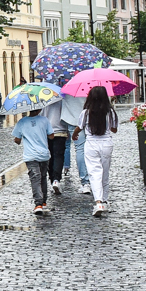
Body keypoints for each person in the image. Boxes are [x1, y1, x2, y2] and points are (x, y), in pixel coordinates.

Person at [80, 85, 120, 216]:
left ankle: (98, 202)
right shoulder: (110, 112)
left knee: (94, 173)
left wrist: (74, 135)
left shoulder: (86, 112)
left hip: (91, 144)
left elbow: (79, 127)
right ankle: (105, 200)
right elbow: (114, 130)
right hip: (106, 144)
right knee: (105, 173)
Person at [13, 106, 54, 214]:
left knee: (35, 178)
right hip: (44, 154)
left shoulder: (22, 122)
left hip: (30, 155)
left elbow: (17, 140)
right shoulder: (45, 120)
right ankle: (43, 201)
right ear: (40, 109)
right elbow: (51, 136)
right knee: (43, 177)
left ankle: (38, 204)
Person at [58, 91, 92, 195]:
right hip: (91, 118)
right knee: (93, 148)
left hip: (72, 119)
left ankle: (85, 182)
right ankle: (96, 180)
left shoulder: (65, 84)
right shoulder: (89, 81)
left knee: (80, 149)